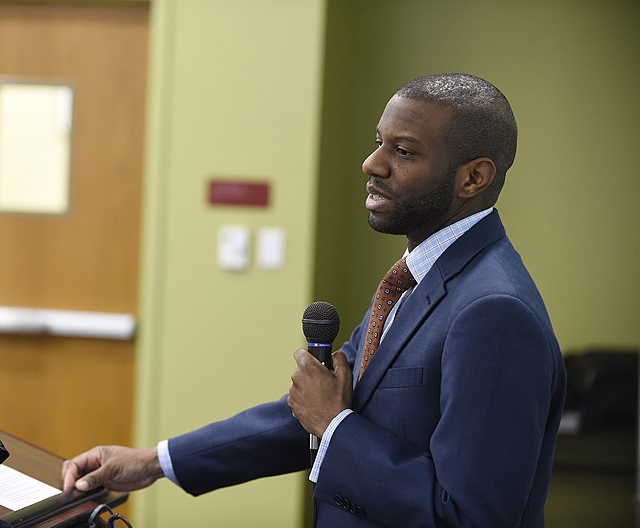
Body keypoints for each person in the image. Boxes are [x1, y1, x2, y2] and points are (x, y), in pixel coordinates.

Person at [62, 73, 566, 527]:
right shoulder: (416, 278)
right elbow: (315, 409)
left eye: (404, 151)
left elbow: (472, 516)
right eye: (379, 143)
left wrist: (334, 425)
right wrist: (155, 461)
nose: (372, 163)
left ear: (472, 178)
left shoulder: (494, 311)